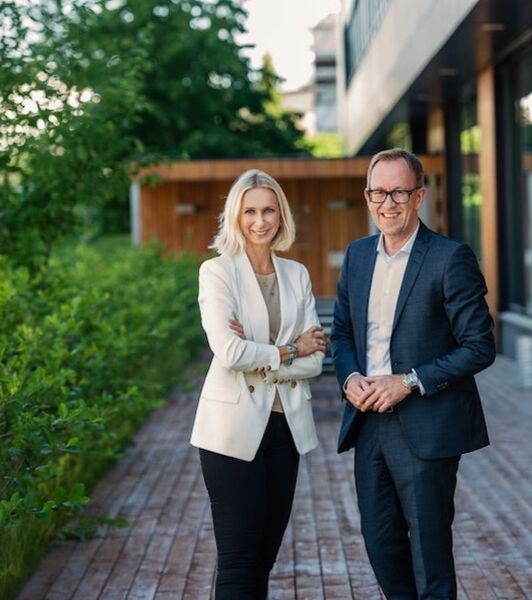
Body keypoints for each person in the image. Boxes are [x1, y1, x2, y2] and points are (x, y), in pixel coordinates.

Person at [330, 148, 496, 599]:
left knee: (429, 555)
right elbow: (342, 334)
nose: (388, 203)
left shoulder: (449, 257)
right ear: (367, 196)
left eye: (399, 191)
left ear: (419, 195)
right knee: (380, 544)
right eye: (378, 192)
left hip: (427, 425)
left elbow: (480, 347)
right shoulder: (358, 256)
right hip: (369, 424)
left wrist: (407, 381)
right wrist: (350, 380)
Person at [191, 169, 327, 599]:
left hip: (285, 429)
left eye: (269, 210)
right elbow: (228, 352)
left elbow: (318, 359)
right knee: (238, 561)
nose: (260, 220)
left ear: (281, 215)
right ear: (235, 216)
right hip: (231, 433)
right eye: (250, 211)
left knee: (265, 558)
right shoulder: (217, 272)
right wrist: (289, 351)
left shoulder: (296, 274)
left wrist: (263, 353)